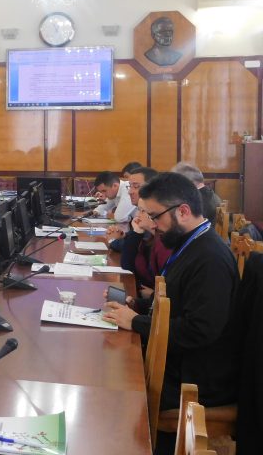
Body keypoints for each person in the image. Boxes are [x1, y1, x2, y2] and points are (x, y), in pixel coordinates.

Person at [102, 172, 239, 454]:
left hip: (198, 378)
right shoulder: (190, 243)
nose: (152, 225)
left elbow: (200, 330)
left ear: (183, 211)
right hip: (183, 361)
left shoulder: (210, 258)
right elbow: (175, 303)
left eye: (155, 216)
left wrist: (137, 322)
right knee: (110, 358)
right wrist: (136, 305)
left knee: (114, 384)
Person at [119, 167, 172, 299]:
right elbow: (127, 265)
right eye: (129, 186)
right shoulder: (149, 234)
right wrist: (136, 233)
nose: (130, 191)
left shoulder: (165, 242)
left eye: (136, 186)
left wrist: (152, 296)